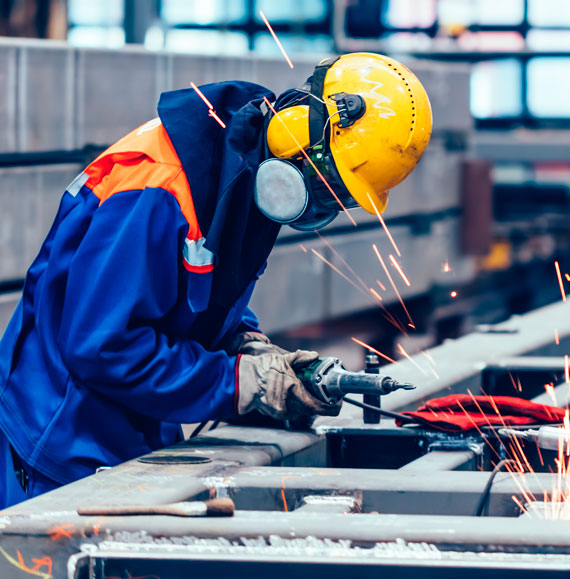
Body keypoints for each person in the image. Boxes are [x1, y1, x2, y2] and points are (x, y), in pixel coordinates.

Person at [0, 52, 432, 508]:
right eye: (329, 185)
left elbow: (196, 293)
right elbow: (102, 347)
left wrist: (248, 345)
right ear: (301, 130)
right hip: (57, 442)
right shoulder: (156, 191)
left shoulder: (239, 173)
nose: (325, 205)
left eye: (341, 198)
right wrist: (243, 382)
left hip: (128, 429)